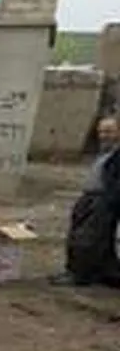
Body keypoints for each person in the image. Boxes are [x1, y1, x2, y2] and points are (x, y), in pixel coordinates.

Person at [50, 116, 120, 287]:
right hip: (90, 198)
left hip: (102, 200)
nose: (104, 135)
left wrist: (108, 201)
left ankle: (79, 275)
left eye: (109, 131)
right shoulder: (105, 153)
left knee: (87, 239)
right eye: (101, 131)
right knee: (89, 238)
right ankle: (103, 273)